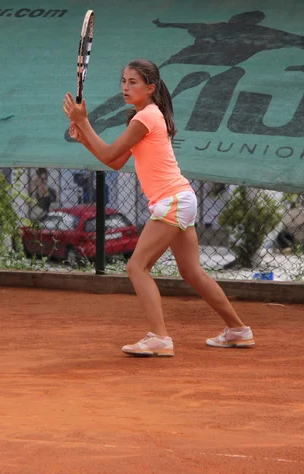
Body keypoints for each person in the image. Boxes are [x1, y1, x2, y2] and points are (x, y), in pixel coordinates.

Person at [63, 59, 254, 356]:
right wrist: (84, 138)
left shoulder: (147, 117)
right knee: (191, 272)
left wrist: (85, 121)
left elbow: (112, 152)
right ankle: (238, 330)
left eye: (133, 82)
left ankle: (160, 337)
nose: (126, 87)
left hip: (172, 201)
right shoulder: (144, 117)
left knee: (137, 266)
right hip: (181, 200)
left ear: (150, 88)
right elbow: (114, 161)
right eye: (123, 81)